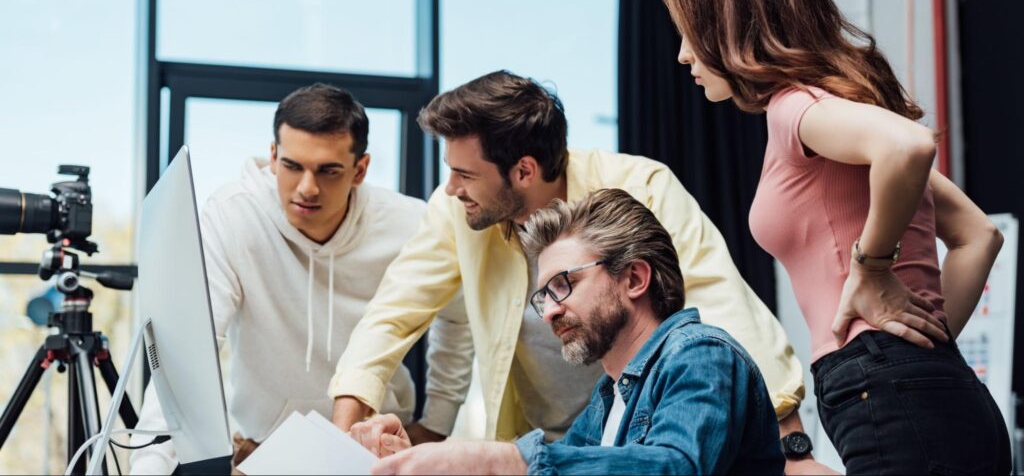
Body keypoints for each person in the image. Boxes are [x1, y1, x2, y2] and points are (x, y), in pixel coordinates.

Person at [330, 70, 813, 470]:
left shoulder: (641, 188)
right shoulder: (456, 209)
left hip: (633, 434)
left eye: (465, 174)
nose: (451, 188)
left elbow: (721, 303)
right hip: (568, 439)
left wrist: (790, 448)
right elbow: (393, 313)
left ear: (523, 170)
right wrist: (342, 443)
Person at [660, 0, 1010, 474]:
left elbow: (909, 145)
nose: (682, 55)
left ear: (728, 27)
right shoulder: (830, 117)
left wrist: (870, 273)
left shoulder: (793, 108)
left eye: (688, 32)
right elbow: (978, 235)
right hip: (933, 391)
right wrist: (919, 345)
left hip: (887, 391)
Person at [351, 189, 785, 475]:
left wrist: (498, 459)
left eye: (564, 285)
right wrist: (414, 460)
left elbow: (676, 467)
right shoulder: (606, 399)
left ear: (634, 278)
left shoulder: (700, 355)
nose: (549, 312)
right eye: (543, 296)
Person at [129, 84, 427, 473]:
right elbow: (189, 349)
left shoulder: (409, 222)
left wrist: (437, 422)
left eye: (328, 170)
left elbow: (458, 320)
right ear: (272, 157)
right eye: (292, 166)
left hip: (372, 453)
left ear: (361, 170)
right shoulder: (233, 216)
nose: (307, 187)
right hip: (262, 450)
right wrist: (148, 465)